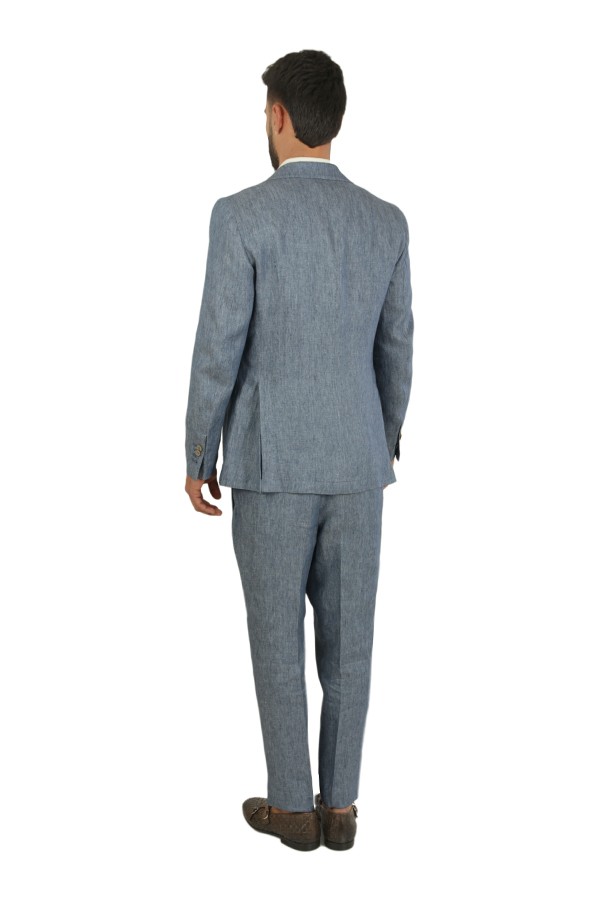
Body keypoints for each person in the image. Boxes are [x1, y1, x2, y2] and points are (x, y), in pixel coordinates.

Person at [184, 49, 414, 852]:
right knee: (352, 644)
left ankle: (291, 808)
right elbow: (397, 348)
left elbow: (219, 346)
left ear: (278, 115)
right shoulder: (385, 221)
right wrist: (381, 439)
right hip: (357, 467)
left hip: (271, 464)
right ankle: (340, 807)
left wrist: (198, 452)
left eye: (265, 112)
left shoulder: (240, 215)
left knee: (276, 639)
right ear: (333, 121)